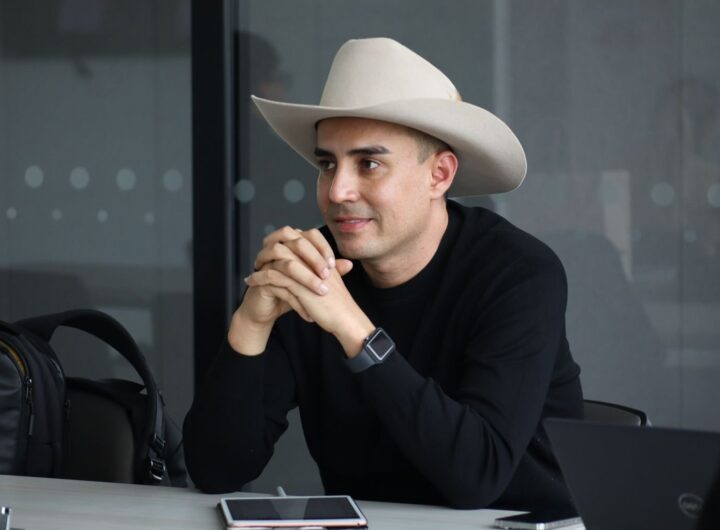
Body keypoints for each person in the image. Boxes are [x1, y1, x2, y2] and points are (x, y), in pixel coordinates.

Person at [183, 37, 583, 511]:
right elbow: (216, 470)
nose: (338, 191)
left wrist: (353, 329)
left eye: (369, 163)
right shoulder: (313, 270)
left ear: (439, 175)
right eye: (327, 164)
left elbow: (477, 477)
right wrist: (251, 326)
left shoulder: (518, 275)